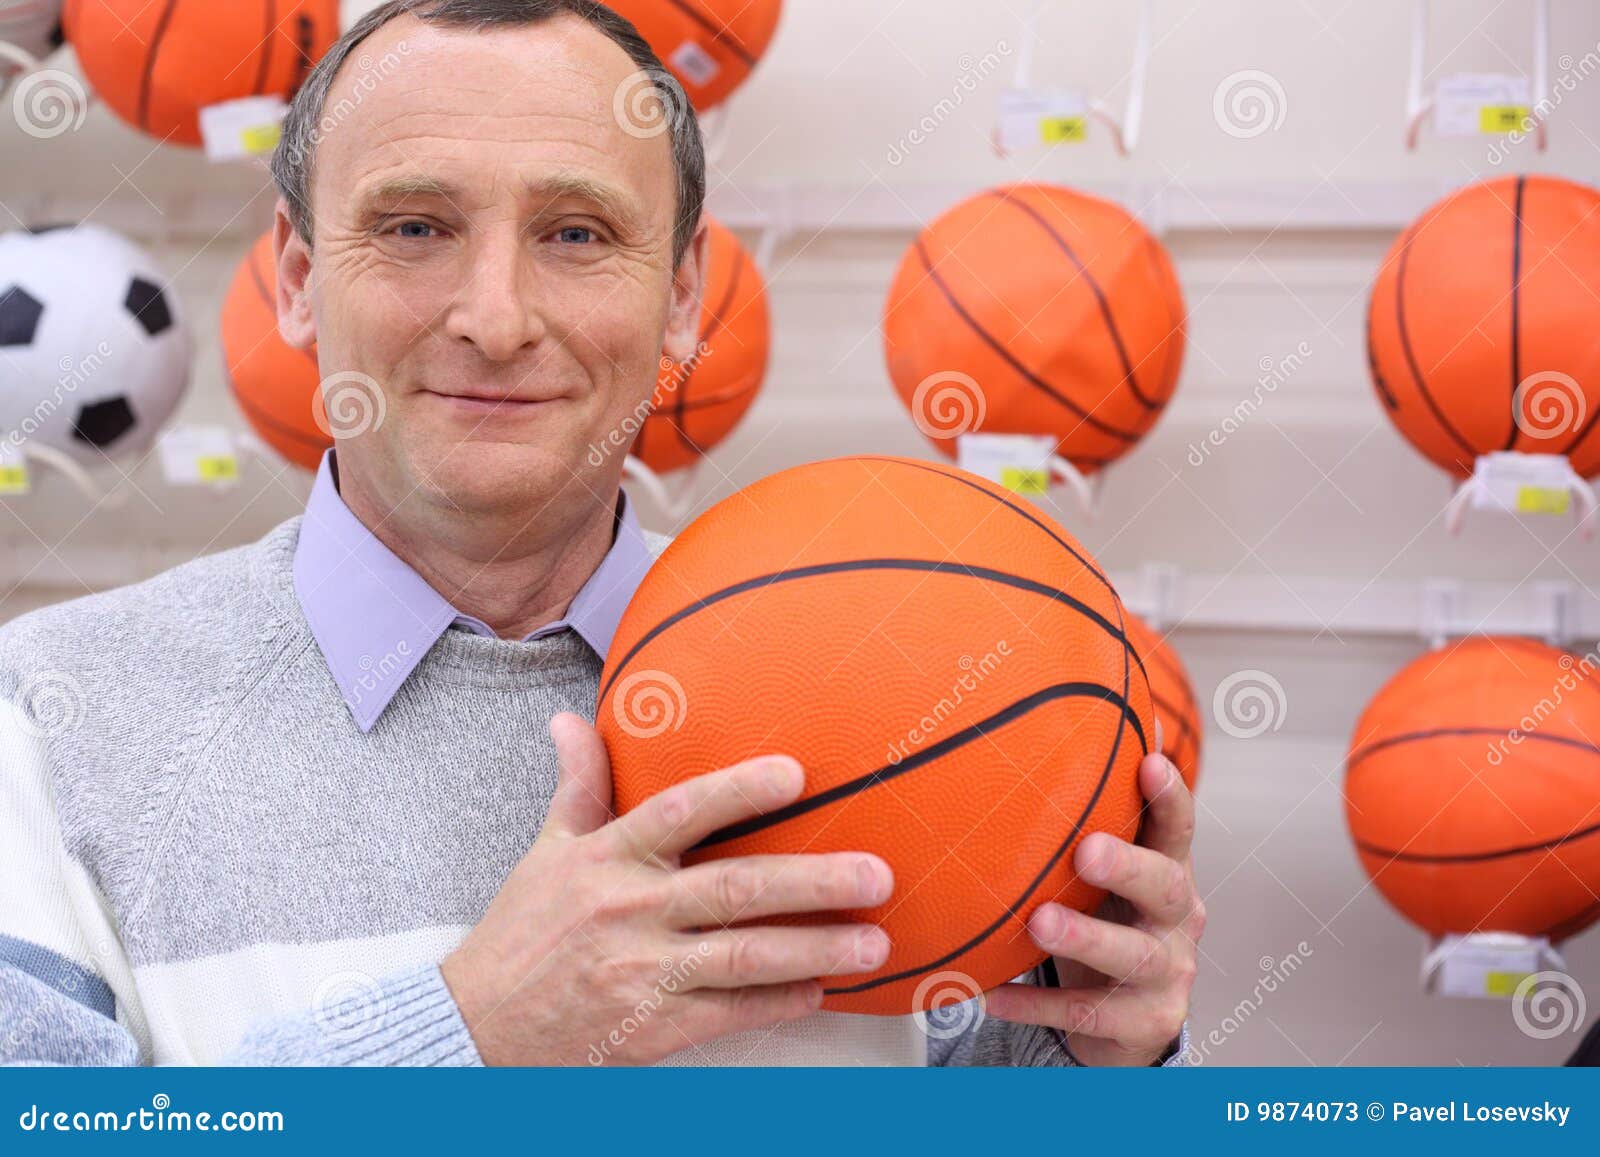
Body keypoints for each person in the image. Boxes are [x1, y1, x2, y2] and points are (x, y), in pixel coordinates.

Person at [0, 0, 1202, 1066]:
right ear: (297, 280)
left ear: (682, 296)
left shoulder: (929, 679)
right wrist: (473, 1033)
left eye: (575, 233)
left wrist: (1100, 1068)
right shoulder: (47, 715)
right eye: (414, 227)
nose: (495, 318)